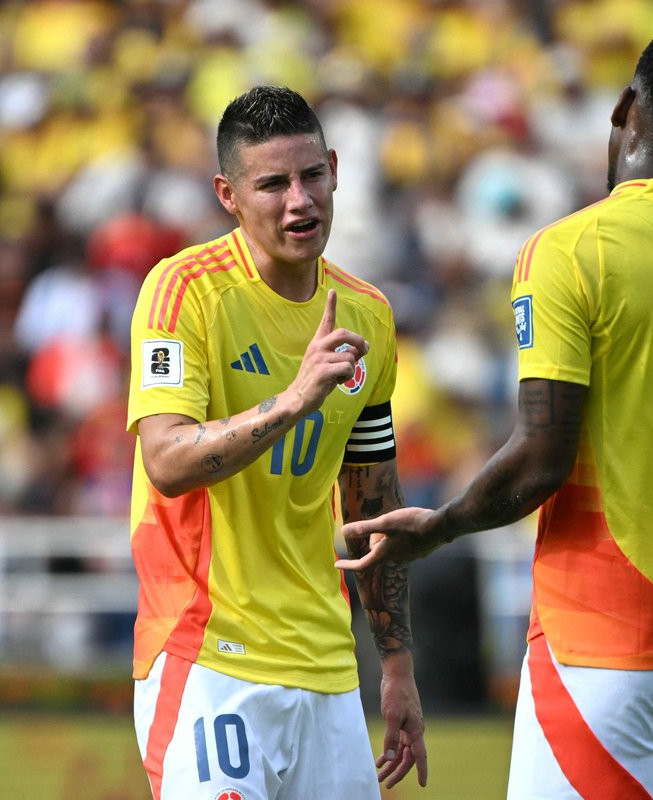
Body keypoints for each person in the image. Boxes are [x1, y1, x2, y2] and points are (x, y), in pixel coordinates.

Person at [337, 30, 653, 799]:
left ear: (624, 107)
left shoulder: (571, 251)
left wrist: (440, 526)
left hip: (603, 640)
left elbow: (541, 460)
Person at [126, 85, 427, 799]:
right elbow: (165, 461)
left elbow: (372, 502)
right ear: (228, 195)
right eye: (272, 185)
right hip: (209, 657)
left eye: (311, 175)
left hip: (326, 669)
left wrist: (396, 665)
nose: (299, 201)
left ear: (334, 169)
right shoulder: (183, 291)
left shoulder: (368, 314)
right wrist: (294, 399)